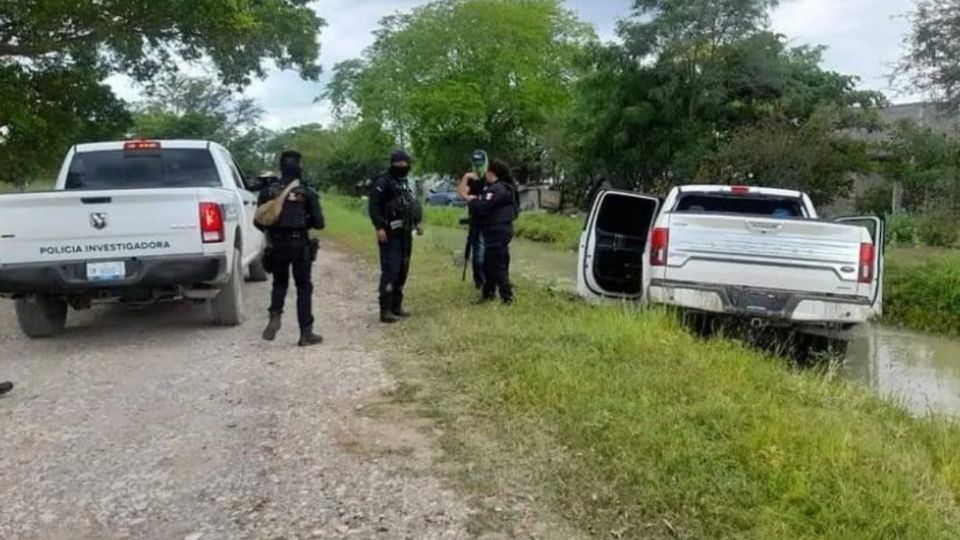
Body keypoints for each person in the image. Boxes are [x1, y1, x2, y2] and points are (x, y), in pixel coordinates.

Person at [257, 150, 325, 347]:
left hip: (276, 244)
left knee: (279, 283)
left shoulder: (268, 191)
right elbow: (320, 223)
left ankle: (275, 315)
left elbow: (259, 220)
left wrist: (272, 232)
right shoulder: (307, 192)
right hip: (299, 244)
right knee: (303, 287)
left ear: (280, 168)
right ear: (299, 168)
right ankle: (306, 333)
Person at [369, 150, 423, 323]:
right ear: (392, 163)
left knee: (402, 270)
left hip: (405, 232)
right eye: (398, 164)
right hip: (389, 233)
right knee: (390, 270)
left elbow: (411, 204)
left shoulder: (405, 182)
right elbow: (374, 206)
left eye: (405, 164)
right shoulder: (383, 181)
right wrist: (379, 227)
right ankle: (385, 309)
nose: (402, 167)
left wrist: (417, 222)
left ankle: (396, 306)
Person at [466, 159, 519, 304]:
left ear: (492, 173)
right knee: (490, 263)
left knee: (496, 264)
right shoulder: (505, 187)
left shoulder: (498, 189)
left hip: (497, 231)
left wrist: (472, 201)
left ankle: (507, 296)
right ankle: (488, 293)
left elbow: (484, 207)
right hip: (500, 230)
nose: (485, 175)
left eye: (487, 172)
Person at [458, 150, 489, 289]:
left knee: (493, 252)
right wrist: (465, 178)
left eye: (480, 163)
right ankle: (480, 281)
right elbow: (461, 193)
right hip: (476, 220)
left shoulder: (491, 176)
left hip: (492, 220)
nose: (478, 166)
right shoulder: (470, 178)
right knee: (478, 252)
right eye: (475, 164)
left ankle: (492, 279)